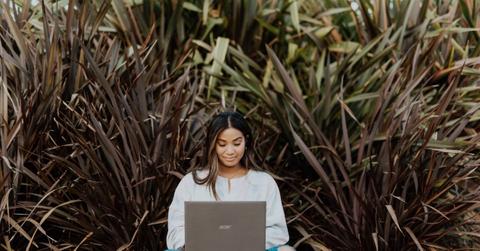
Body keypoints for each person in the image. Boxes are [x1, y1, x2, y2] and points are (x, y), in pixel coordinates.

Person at [166, 111, 295, 251]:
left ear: (246, 141)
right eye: (222, 144)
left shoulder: (264, 183)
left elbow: (278, 232)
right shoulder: (191, 183)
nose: (230, 151)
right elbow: (175, 230)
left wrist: (241, 242)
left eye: (237, 143)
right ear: (213, 145)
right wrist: (198, 244)